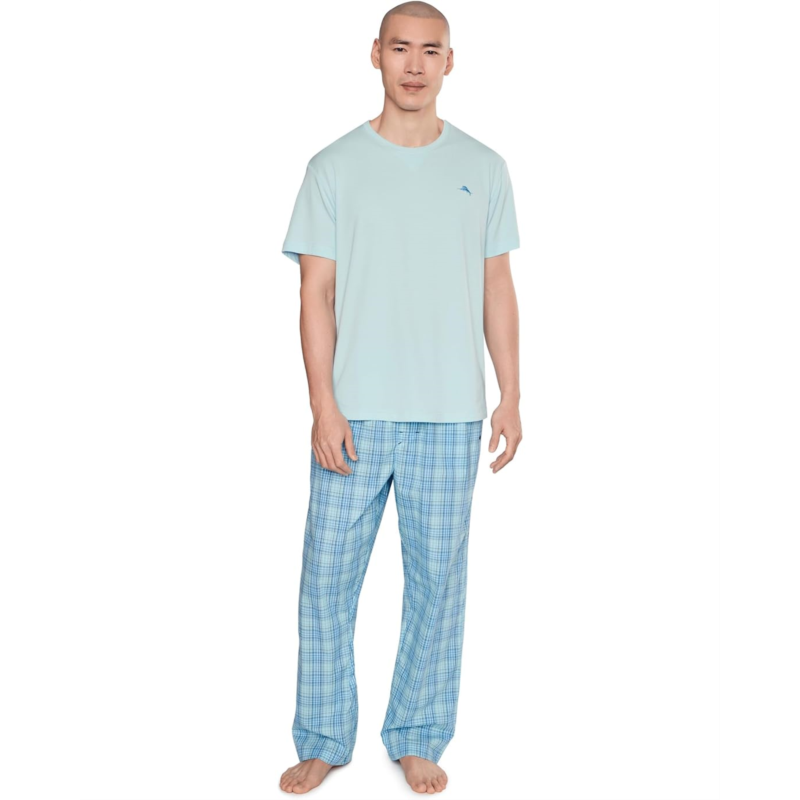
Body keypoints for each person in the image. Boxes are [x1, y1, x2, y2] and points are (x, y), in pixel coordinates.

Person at [278, 2, 522, 793]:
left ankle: (418, 734)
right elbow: (315, 294)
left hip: (451, 413)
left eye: (430, 50)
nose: (414, 65)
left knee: (438, 587)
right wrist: (322, 405)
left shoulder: (484, 167)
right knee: (325, 582)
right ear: (375, 54)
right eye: (400, 48)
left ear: (451, 61)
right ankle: (324, 737)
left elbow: (497, 285)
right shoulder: (333, 167)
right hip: (354, 413)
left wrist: (511, 393)